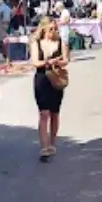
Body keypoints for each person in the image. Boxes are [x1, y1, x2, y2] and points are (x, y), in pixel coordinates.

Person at [31, 18, 69, 160]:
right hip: (42, 79)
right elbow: (35, 62)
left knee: (54, 112)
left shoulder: (61, 42)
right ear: (44, 29)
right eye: (51, 29)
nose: (53, 32)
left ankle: (53, 143)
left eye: (55, 29)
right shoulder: (36, 43)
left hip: (56, 78)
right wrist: (47, 62)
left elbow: (66, 59)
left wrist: (59, 62)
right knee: (44, 113)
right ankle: (44, 146)